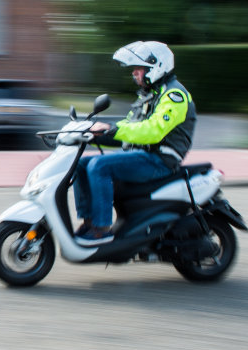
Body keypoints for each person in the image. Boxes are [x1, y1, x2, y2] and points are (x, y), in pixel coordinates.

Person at [73, 41, 196, 246]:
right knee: (81, 164)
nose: (134, 74)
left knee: (99, 166)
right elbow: (128, 126)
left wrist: (113, 129)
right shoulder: (149, 95)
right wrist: (96, 133)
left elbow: (153, 131)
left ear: (155, 67)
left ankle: (101, 229)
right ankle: (89, 222)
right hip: (142, 157)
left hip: (160, 160)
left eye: (139, 69)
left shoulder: (174, 96)